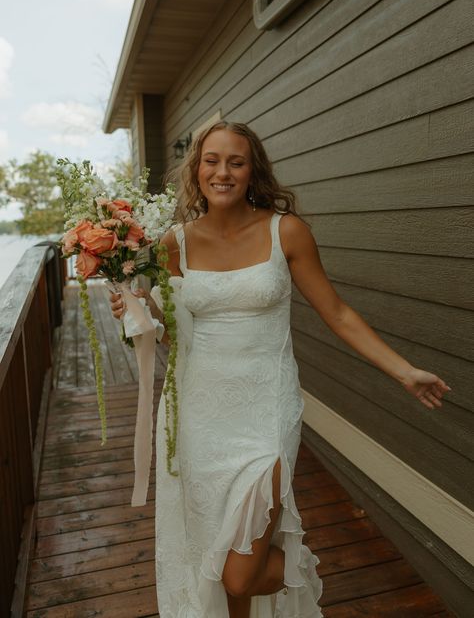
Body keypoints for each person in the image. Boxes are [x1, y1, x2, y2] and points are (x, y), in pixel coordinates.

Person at [109, 120, 451, 618]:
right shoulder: (173, 243)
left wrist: (404, 371)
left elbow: (338, 314)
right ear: (197, 169)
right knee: (217, 551)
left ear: (253, 171)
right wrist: (137, 310)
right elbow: (174, 328)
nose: (222, 172)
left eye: (236, 162)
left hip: (265, 411)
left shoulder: (285, 230)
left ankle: (298, 571)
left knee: (239, 572)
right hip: (199, 415)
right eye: (212, 160)